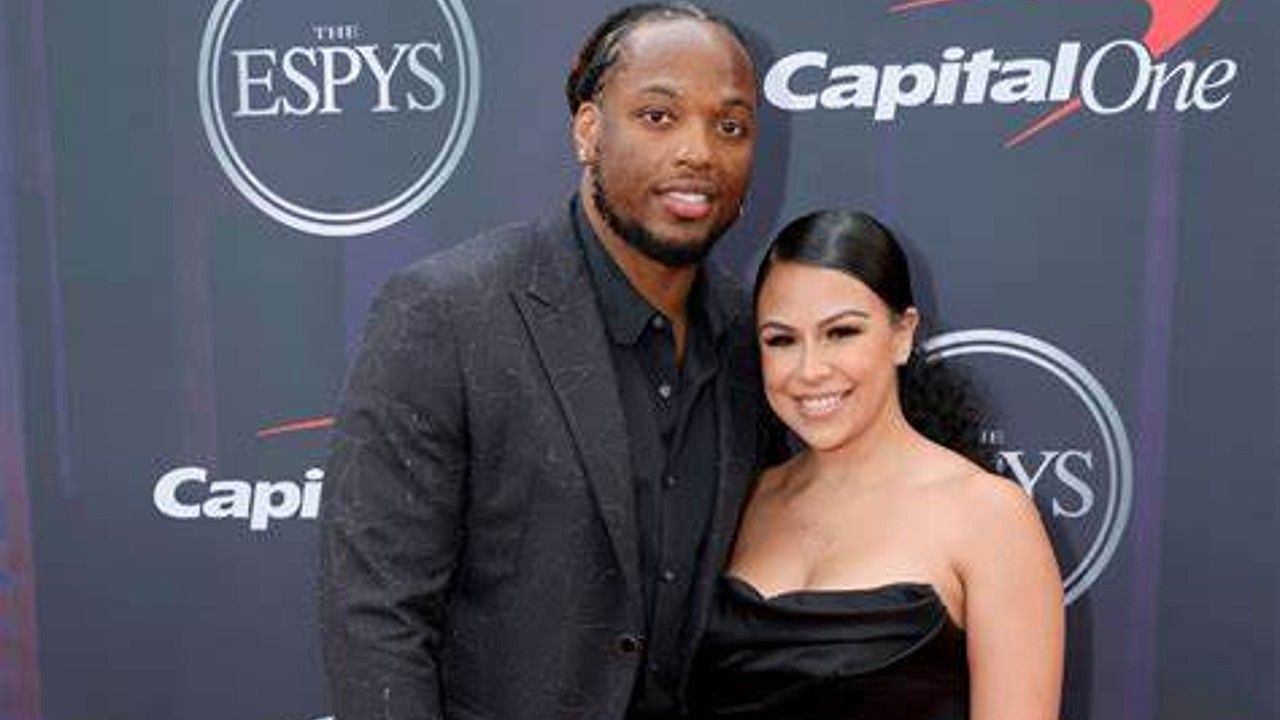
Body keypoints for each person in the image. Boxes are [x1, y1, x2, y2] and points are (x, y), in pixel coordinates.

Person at [319, 4, 780, 719]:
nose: (699, 152)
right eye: (659, 116)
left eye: (731, 126)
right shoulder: (448, 312)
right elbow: (377, 616)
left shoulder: (758, 338)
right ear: (589, 130)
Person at [691, 210, 1064, 720]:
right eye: (781, 340)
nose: (810, 370)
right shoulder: (745, 496)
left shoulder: (991, 517)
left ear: (901, 334)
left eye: (841, 333)